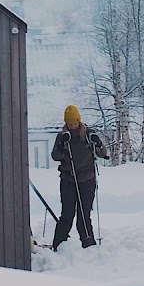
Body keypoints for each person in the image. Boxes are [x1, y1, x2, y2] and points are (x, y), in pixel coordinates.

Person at [51, 104, 109, 250]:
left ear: (79, 120)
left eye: (74, 123)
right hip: (68, 180)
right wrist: (61, 145)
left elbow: (103, 154)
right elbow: (55, 156)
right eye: (69, 123)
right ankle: (58, 247)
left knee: (83, 216)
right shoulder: (62, 136)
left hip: (87, 180)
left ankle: (89, 246)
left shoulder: (89, 135)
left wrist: (98, 143)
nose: (72, 126)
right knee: (67, 215)